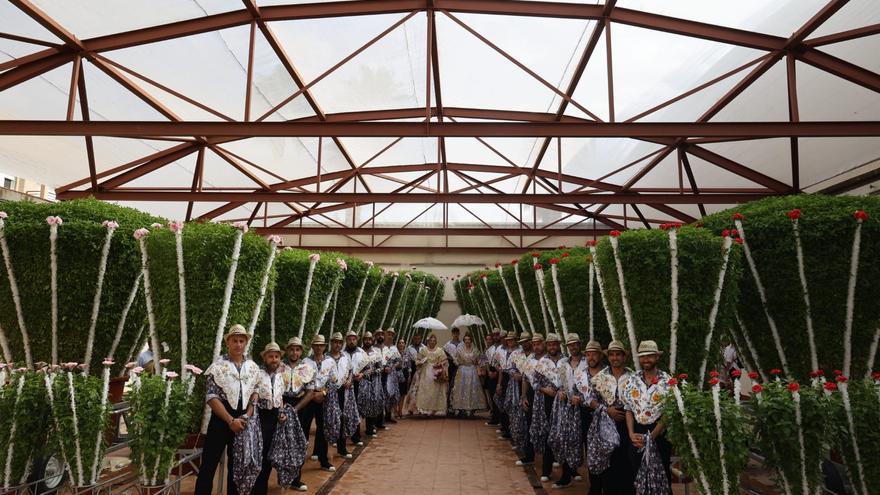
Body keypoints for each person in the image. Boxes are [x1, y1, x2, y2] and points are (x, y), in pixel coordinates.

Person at [195, 324, 261, 495]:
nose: (238, 344)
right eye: (235, 341)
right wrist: (230, 420)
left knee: (237, 466)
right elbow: (211, 397)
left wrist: (247, 415)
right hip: (221, 420)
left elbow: (256, 391)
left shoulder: (253, 367)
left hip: (243, 421)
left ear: (246, 343)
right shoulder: (218, 367)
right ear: (228, 343)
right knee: (209, 464)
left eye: (241, 341)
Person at [581, 340, 635, 495]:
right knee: (608, 463)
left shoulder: (632, 376)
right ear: (608, 357)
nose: (615, 357)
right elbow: (589, 399)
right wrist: (606, 410)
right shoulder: (600, 377)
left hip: (628, 424)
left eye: (618, 354)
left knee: (626, 463)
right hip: (606, 424)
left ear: (624, 357)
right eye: (611, 354)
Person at [624, 340, 672, 494]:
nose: (646, 360)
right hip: (637, 432)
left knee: (662, 473)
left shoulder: (667, 381)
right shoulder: (632, 380)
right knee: (636, 472)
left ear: (657, 357)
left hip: (659, 432)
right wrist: (631, 434)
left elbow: (668, 413)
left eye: (650, 356)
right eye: (643, 357)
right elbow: (628, 409)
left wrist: (652, 436)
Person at [548, 334, 586, 489]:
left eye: (575, 344)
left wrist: (582, 398)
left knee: (583, 440)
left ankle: (586, 476)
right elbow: (558, 383)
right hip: (566, 407)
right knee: (566, 439)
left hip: (584, 408)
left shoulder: (587, 362)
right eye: (570, 345)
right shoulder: (563, 363)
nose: (573, 347)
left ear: (580, 344)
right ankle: (566, 475)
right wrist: (560, 392)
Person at [281, 336, 318, 491]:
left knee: (299, 442)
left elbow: (310, 392)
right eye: (291, 349)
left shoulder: (307, 368)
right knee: (280, 441)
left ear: (301, 351)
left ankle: (296, 479)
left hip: (301, 406)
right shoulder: (279, 367)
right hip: (281, 404)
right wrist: (281, 407)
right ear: (287, 350)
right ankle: (282, 476)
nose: (294, 352)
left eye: (297, 349)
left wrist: (296, 409)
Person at [253, 342, 287, 495]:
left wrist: (282, 412)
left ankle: (262, 490)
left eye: (277, 356)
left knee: (268, 457)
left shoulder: (280, 376)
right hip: (259, 419)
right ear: (265, 358)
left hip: (274, 420)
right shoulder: (257, 374)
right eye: (271, 356)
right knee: (257, 457)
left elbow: (280, 397)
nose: (274, 359)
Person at [531, 333, 565, 484]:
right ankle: (546, 469)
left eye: (554, 344)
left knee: (565, 434)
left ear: (559, 345)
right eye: (550, 344)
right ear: (547, 345)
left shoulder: (566, 361)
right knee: (549, 433)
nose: (552, 347)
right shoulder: (542, 362)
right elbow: (534, 383)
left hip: (565, 403)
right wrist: (546, 390)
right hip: (547, 401)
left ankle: (569, 472)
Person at [302, 335, 336, 472]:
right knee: (304, 428)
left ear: (324, 347)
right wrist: (310, 394)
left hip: (323, 398)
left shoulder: (330, 361)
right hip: (308, 398)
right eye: (316, 345)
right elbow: (300, 381)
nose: (318, 348)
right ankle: (298, 461)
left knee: (323, 429)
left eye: (321, 345)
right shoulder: (305, 362)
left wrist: (323, 393)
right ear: (312, 346)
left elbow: (333, 381)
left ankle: (324, 460)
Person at [516, 333, 545, 467]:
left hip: (546, 396)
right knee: (530, 424)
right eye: (534, 344)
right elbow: (525, 379)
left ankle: (549, 460)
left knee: (547, 426)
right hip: (532, 395)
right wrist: (523, 397)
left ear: (543, 343)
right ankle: (529, 455)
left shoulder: (548, 360)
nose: (536, 347)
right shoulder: (530, 360)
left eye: (538, 343)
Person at [328, 332, 355, 460]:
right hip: (329, 393)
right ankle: (319, 450)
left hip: (343, 391)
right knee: (328, 420)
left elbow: (351, 371)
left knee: (343, 418)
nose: (337, 345)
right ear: (331, 343)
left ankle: (342, 448)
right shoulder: (326, 357)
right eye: (335, 342)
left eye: (339, 342)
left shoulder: (345, 356)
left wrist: (349, 380)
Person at [450, 333, 487, 416]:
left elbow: (479, 360)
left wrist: (477, 363)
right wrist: (459, 363)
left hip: (472, 371)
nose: (467, 341)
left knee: (471, 388)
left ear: (471, 341)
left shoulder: (475, 350)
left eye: (468, 339)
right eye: (466, 339)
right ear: (464, 341)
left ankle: (471, 408)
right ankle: (461, 408)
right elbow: (455, 359)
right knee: (461, 389)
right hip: (462, 370)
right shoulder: (460, 350)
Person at [414, 334, 449, 416]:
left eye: (434, 341)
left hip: (436, 373)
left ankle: (435, 410)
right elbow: (417, 360)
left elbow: (445, 361)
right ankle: (425, 410)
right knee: (425, 391)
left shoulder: (440, 350)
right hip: (425, 373)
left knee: (436, 391)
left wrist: (440, 363)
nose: (432, 342)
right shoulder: (423, 350)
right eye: (431, 340)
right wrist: (421, 362)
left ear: (436, 342)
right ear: (428, 341)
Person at [343, 331, 367, 447]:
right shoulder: (342, 354)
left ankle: (356, 437)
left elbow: (369, 368)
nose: (351, 341)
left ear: (357, 340)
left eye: (354, 339)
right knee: (343, 410)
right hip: (344, 386)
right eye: (349, 339)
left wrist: (362, 374)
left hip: (358, 385)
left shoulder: (362, 353)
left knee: (356, 411)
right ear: (346, 340)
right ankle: (342, 437)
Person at [494, 331, 517, 439]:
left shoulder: (519, 352)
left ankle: (512, 432)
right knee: (502, 402)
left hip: (514, 380)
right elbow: (500, 368)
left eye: (512, 340)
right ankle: (506, 428)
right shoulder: (503, 351)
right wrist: (499, 383)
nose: (510, 342)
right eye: (508, 340)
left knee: (512, 405)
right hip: (504, 377)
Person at [380, 328, 402, 424]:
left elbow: (399, 362)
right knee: (383, 393)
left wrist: (392, 367)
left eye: (392, 335)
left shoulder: (394, 348)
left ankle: (390, 414)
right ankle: (382, 416)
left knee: (392, 394)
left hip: (392, 374)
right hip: (381, 373)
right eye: (388, 334)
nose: (390, 336)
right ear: (385, 334)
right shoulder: (381, 347)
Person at [482, 328, 503, 427]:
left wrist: (496, 373)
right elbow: (486, 361)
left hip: (500, 373)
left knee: (500, 396)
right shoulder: (489, 349)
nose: (495, 337)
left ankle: (501, 419)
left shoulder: (503, 348)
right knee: (492, 396)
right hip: (490, 372)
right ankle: (494, 417)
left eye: (497, 335)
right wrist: (489, 371)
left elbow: (501, 364)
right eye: (494, 335)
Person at [403, 333, 426, 415]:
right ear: (413, 339)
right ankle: (411, 408)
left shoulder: (424, 348)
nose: (417, 340)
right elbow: (406, 360)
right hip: (412, 369)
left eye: (418, 338)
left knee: (421, 389)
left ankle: (420, 407)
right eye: (415, 338)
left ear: (420, 339)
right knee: (412, 389)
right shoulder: (409, 348)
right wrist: (409, 371)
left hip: (422, 370)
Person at [444, 327, 463, 413]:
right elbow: (444, 355)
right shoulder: (448, 344)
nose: (455, 335)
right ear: (452, 334)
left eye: (457, 333)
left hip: (460, 367)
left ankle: (459, 406)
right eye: (454, 333)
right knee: (451, 386)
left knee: (459, 386)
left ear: (459, 334)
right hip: (451, 367)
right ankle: (450, 406)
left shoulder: (462, 344)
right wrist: (450, 358)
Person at [395, 338, 411, 418]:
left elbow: (409, 366)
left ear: (405, 345)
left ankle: (400, 411)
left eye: (403, 343)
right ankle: (395, 411)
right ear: (397, 344)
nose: (401, 344)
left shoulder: (407, 354)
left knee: (403, 394)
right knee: (396, 393)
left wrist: (409, 375)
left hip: (405, 374)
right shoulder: (394, 353)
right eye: (400, 343)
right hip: (396, 374)